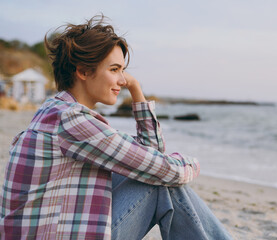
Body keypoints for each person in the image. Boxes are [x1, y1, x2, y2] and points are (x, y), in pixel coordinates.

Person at [0, 15, 232, 240]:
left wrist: (136, 91)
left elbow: (150, 154)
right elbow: (166, 169)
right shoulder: (72, 121)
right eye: (114, 70)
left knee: (153, 178)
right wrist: (194, 163)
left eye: (123, 70)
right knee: (161, 184)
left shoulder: (56, 111)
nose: (123, 79)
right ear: (82, 71)